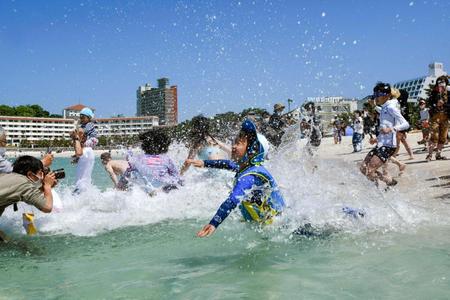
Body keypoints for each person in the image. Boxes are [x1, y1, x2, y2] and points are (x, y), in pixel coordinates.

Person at [186, 119, 286, 238]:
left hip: (277, 226)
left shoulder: (249, 176)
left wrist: (214, 223)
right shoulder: (245, 166)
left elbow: (233, 200)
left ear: (252, 150)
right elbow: (227, 164)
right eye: (234, 142)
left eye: (238, 143)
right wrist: (204, 163)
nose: (233, 146)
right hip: (263, 224)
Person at [360, 82, 409, 186]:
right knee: (363, 168)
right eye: (375, 95)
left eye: (378, 95)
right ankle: (389, 181)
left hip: (388, 146)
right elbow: (384, 123)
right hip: (381, 144)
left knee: (370, 171)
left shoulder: (391, 107)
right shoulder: (384, 108)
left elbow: (406, 124)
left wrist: (391, 129)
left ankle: (377, 191)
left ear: (386, 95)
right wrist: (377, 139)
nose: (376, 97)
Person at [0, 156, 57, 240]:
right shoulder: (24, 184)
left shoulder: (7, 177)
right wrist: (47, 186)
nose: (42, 177)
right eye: (41, 173)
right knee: (11, 243)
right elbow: (47, 207)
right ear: (30, 174)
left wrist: (44, 188)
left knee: (7, 241)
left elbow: (30, 198)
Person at [127, 128, 182, 194]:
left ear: (144, 145)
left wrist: (119, 186)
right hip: (164, 187)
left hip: (145, 189)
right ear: (165, 145)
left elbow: (128, 174)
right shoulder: (166, 159)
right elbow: (177, 177)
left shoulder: (137, 159)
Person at [70, 107, 98, 194]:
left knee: (82, 146)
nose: (81, 119)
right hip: (86, 146)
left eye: (83, 117)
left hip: (93, 140)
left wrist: (76, 135)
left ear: (89, 118)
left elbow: (81, 132)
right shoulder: (83, 126)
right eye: (80, 117)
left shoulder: (89, 124)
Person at [426, 75, 449, 161]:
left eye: (443, 82)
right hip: (435, 117)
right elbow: (429, 103)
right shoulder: (434, 92)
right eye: (439, 82)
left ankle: (438, 154)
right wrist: (436, 104)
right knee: (434, 136)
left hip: (445, 117)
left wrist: (444, 104)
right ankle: (430, 155)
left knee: (443, 137)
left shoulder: (448, 92)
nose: (441, 84)